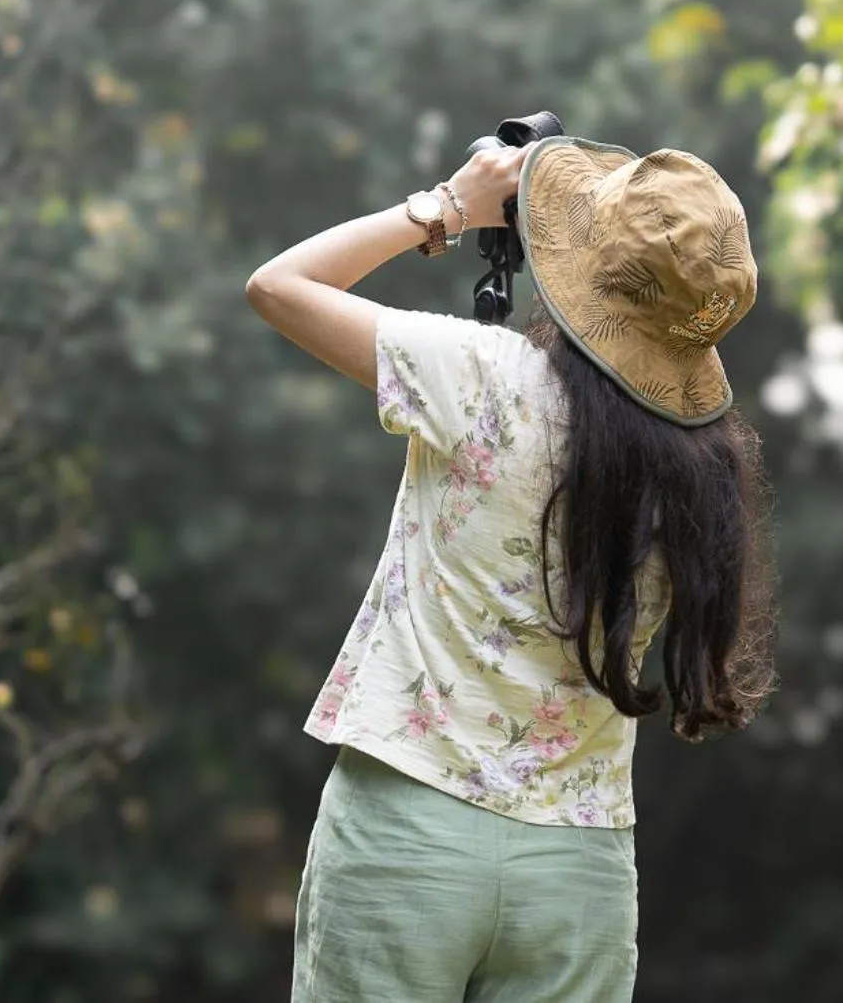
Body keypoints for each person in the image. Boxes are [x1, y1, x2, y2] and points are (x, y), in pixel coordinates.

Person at [245, 135, 775, 1003]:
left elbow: (279, 286)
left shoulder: (481, 376)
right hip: (580, 864)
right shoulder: (705, 468)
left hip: (409, 828)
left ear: (578, 271)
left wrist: (445, 206)